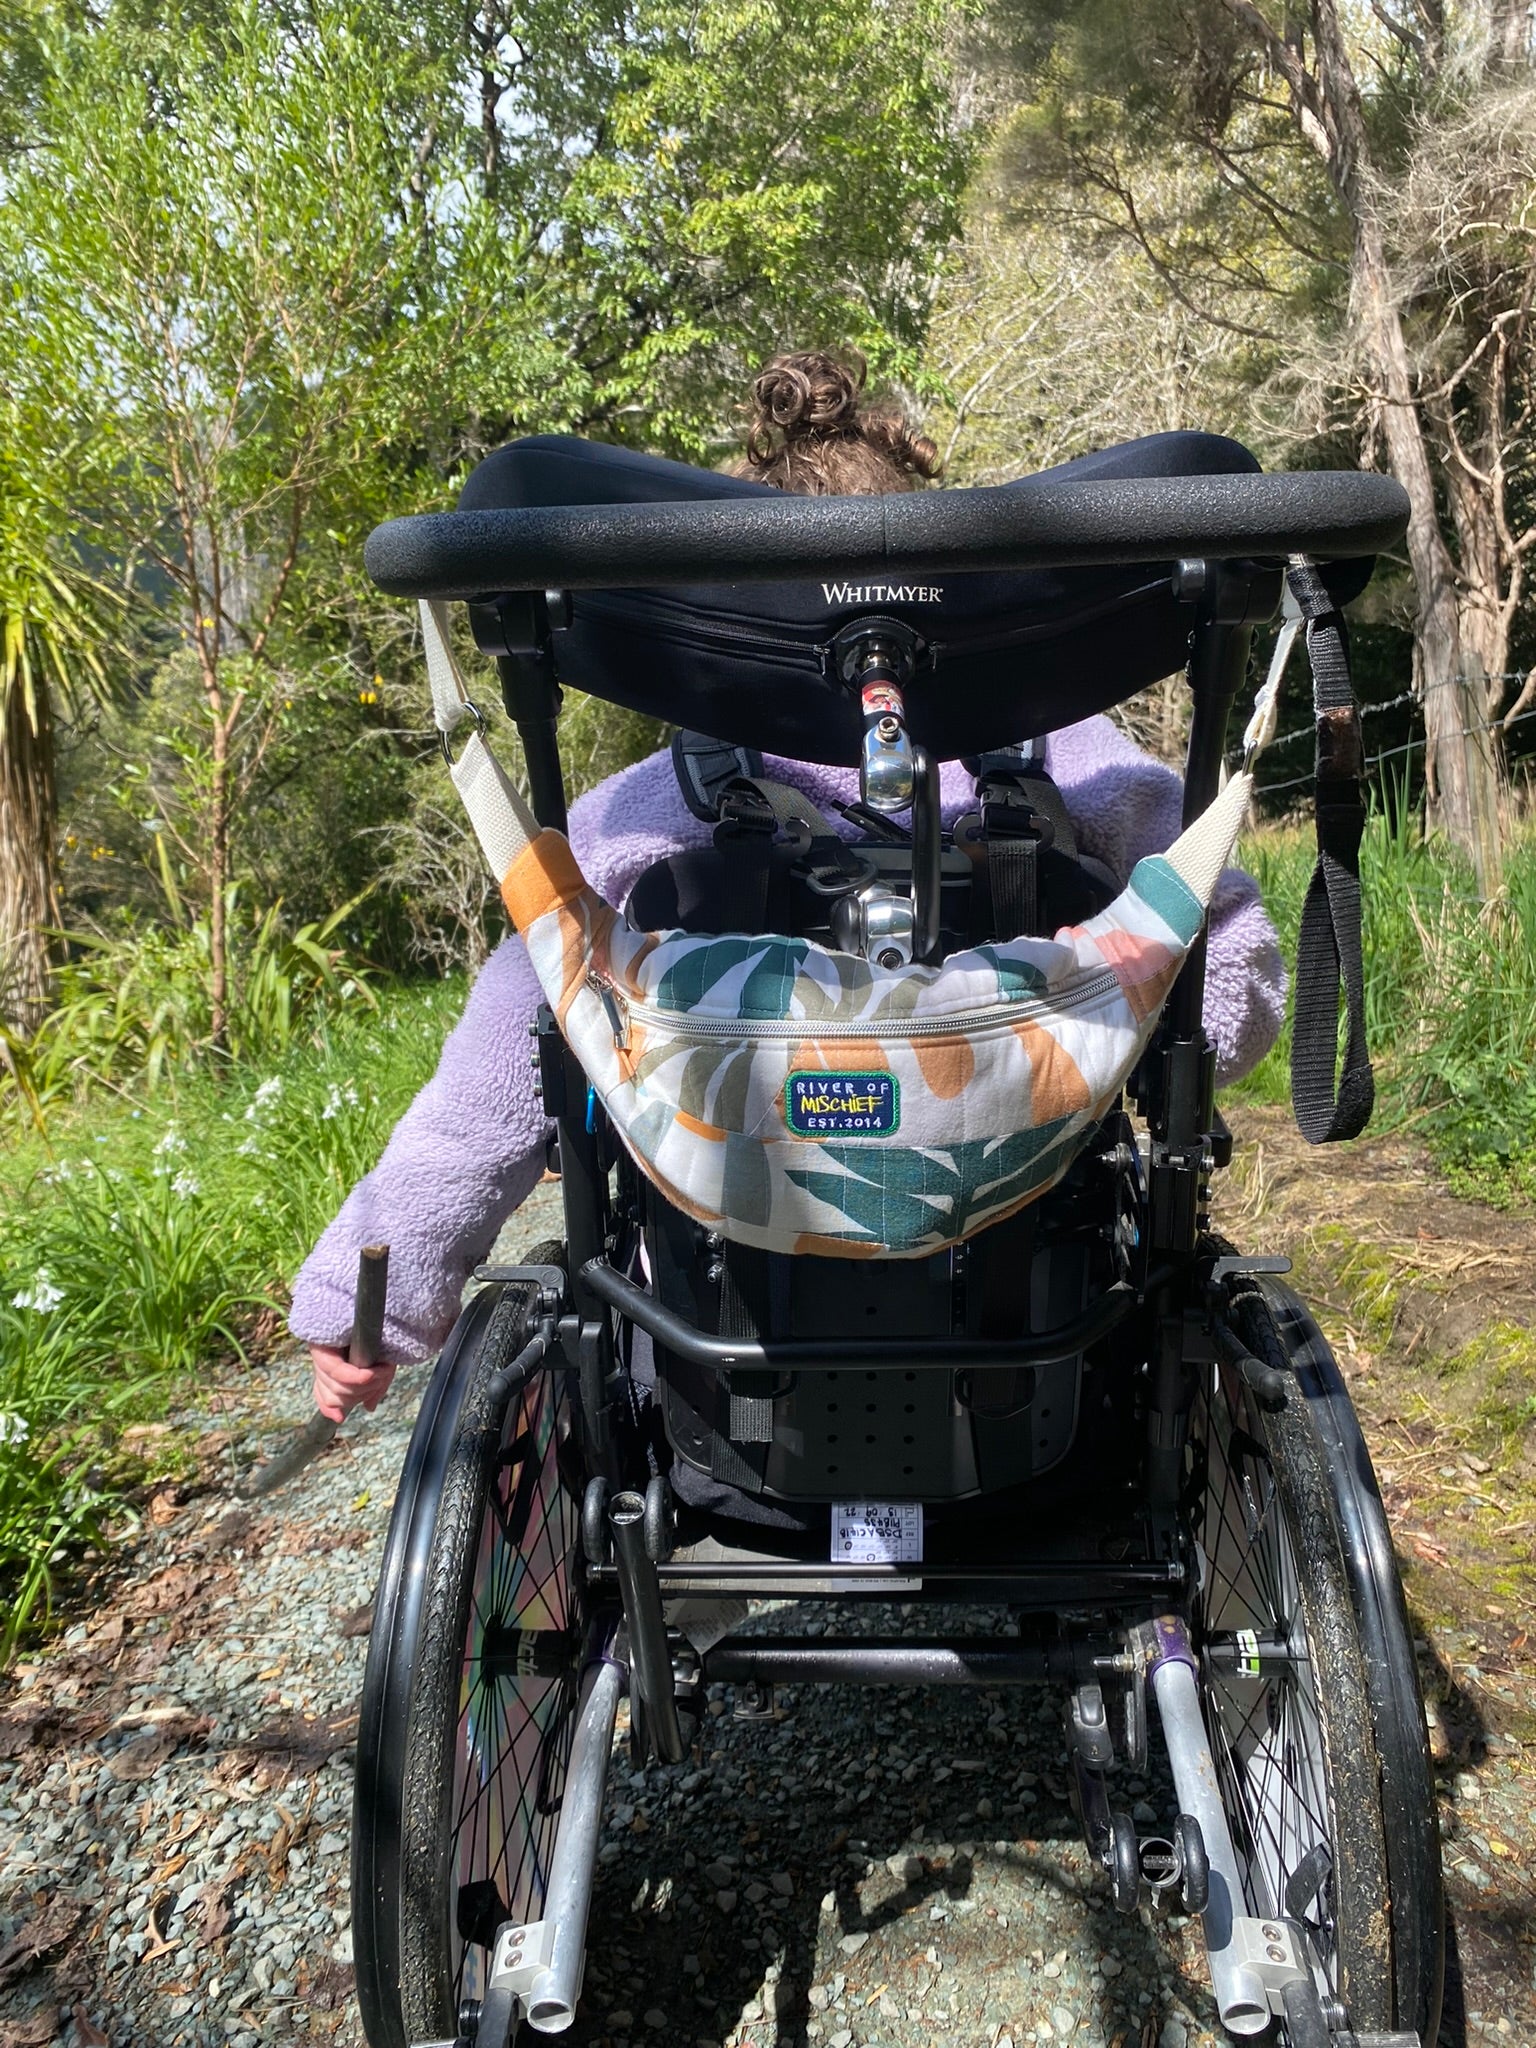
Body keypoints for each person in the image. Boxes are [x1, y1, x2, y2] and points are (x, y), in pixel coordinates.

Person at [293, 351, 1286, 1422]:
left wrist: (369, 1293)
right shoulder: (1063, 756)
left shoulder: (661, 800)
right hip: (1045, 1326)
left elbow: (504, 1049)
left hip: (724, 1353)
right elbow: (1230, 971)